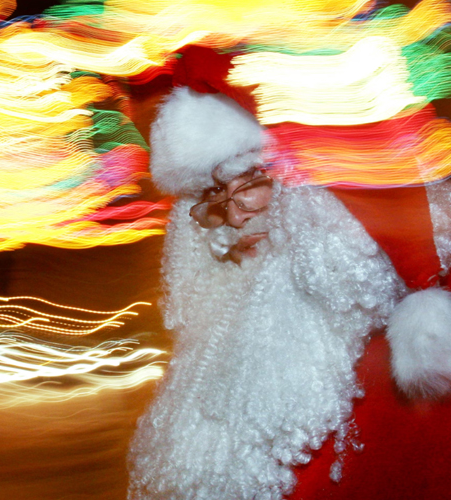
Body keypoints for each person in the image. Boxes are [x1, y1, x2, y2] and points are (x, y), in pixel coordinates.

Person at [127, 78, 451, 499]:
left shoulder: (401, 369)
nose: (236, 218)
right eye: (215, 197)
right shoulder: (235, 327)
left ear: (306, 188)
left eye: (248, 185)